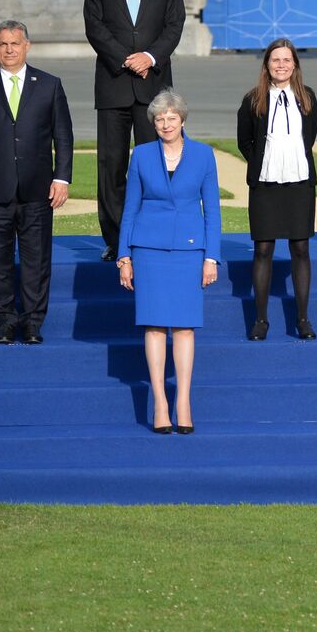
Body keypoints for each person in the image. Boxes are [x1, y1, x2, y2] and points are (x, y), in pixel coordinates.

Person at [0, 21, 74, 345]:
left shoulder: (49, 85)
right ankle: (5, 321)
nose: (9, 49)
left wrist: (61, 178)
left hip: (38, 189)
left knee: (37, 259)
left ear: (27, 46)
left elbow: (63, 136)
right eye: (2, 44)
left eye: (14, 43)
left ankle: (33, 322)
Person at [117, 91, 221, 434]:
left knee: (185, 327)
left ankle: (183, 401)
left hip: (190, 251)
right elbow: (130, 208)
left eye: (171, 119)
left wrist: (211, 258)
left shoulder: (204, 155)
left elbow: (213, 212)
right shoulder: (142, 156)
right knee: (155, 326)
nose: (165, 124)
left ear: (182, 120)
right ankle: (160, 402)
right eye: (159, 119)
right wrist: (124, 256)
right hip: (148, 250)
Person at [84, 0, 187, 262]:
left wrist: (149, 56)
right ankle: (116, 240)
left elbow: (175, 26)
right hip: (113, 85)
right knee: (111, 165)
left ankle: (152, 234)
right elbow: (95, 29)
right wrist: (127, 59)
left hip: (153, 89)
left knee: (154, 164)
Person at [237, 39, 317, 341]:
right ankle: (260, 320)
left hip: (299, 182)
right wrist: (265, 163)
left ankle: (302, 318)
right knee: (263, 249)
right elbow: (245, 140)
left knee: (300, 248)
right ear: (266, 65)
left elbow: (309, 137)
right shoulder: (253, 99)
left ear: (295, 64)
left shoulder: (307, 98)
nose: (281, 65)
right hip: (266, 183)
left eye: (286, 60)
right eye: (275, 60)